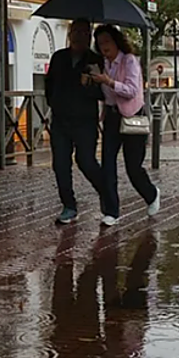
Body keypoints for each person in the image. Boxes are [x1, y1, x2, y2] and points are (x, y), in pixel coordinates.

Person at [91, 23, 160, 227]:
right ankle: (111, 211)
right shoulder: (103, 63)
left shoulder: (129, 61)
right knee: (108, 165)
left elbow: (131, 90)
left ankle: (152, 194)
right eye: (100, 43)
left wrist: (109, 81)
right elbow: (105, 94)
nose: (104, 46)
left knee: (133, 167)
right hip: (112, 117)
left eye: (107, 41)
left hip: (132, 117)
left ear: (116, 41)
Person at [45, 19, 106, 225]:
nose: (80, 35)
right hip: (61, 121)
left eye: (85, 32)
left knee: (86, 161)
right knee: (60, 164)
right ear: (70, 33)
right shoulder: (59, 57)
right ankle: (69, 206)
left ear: (90, 36)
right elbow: (49, 83)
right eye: (77, 31)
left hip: (84, 121)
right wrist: (54, 102)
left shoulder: (95, 61)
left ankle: (106, 195)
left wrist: (89, 84)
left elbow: (102, 92)